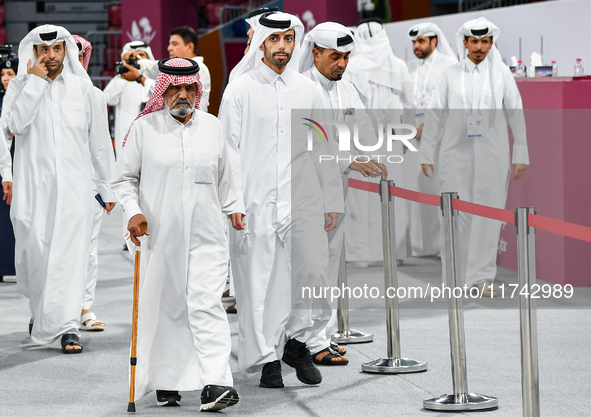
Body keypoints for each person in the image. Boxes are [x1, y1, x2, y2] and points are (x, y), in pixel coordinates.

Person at [218, 12, 344, 388]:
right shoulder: (239, 89)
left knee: (313, 273)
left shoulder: (307, 91)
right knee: (257, 282)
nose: (283, 47)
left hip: (301, 196)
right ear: (261, 43)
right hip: (253, 199)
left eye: (289, 40)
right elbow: (228, 150)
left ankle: (297, 341)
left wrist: (332, 199)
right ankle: (266, 359)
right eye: (275, 40)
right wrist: (233, 202)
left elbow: (324, 146)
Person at [112, 57, 241, 411]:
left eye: (188, 88)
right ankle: (168, 380)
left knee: (206, 303)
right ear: (162, 90)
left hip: (207, 234)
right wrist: (133, 211)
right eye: (174, 88)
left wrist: (235, 207)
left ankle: (217, 381)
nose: (182, 95)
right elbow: (124, 179)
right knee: (167, 308)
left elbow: (228, 176)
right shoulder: (144, 129)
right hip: (159, 233)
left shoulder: (213, 128)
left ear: (197, 89)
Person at [3, 25, 116, 353]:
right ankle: (41, 312)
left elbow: (99, 146)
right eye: (43, 50)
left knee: (69, 258)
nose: (51, 56)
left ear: (66, 50)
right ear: (34, 53)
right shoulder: (19, 88)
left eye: (56, 49)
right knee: (33, 256)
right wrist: (34, 83)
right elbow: (15, 126)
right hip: (32, 191)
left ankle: (68, 327)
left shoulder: (87, 93)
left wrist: (106, 189)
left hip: (74, 191)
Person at [299, 21, 388, 366]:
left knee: (330, 265)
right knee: (310, 268)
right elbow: (310, 146)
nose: (342, 63)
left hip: (337, 192)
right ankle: (305, 339)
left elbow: (363, 129)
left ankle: (322, 336)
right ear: (316, 53)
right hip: (305, 192)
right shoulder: (301, 89)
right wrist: (351, 161)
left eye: (346, 57)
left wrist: (373, 153)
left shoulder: (347, 89)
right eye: (335, 57)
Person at [420, 17, 528, 296]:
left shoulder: (502, 73)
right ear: (465, 43)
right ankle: (454, 279)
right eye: (474, 41)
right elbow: (434, 115)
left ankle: (482, 279)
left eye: (485, 41)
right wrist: (427, 152)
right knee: (454, 214)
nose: (479, 47)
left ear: (491, 43)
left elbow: (516, 113)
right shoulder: (450, 73)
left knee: (488, 216)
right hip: (454, 154)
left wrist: (521, 152)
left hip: (493, 154)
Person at [345, 18, 415, 266]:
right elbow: (411, 104)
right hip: (391, 138)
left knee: (360, 197)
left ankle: (358, 254)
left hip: (360, 139)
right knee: (391, 193)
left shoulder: (352, 66)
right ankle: (391, 251)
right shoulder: (398, 66)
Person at [405, 22, 457, 258]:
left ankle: (443, 245)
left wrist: (430, 126)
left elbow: (453, 104)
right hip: (412, 137)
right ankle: (419, 246)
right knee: (415, 192)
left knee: (439, 189)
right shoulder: (409, 68)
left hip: (439, 138)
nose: (417, 46)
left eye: (421, 41)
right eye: (415, 42)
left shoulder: (450, 66)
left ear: (434, 42)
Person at [72, 34, 113, 331]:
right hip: (53, 185)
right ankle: (48, 309)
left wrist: (106, 188)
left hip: (87, 187)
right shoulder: (40, 94)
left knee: (87, 249)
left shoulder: (93, 95)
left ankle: (85, 307)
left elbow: (101, 147)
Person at [122, 26, 211, 112]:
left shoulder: (198, 69)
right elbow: (150, 66)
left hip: (192, 123)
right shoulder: (171, 67)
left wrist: (140, 78)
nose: (169, 48)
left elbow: (167, 92)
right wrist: (130, 56)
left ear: (189, 47)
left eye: (175, 44)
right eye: (170, 44)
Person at [103, 41, 155, 154]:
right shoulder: (120, 80)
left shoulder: (154, 79)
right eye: (133, 57)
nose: (136, 59)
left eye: (141, 55)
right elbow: (107, 98)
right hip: (127, 140)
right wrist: (124, 75)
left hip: (152, 138)